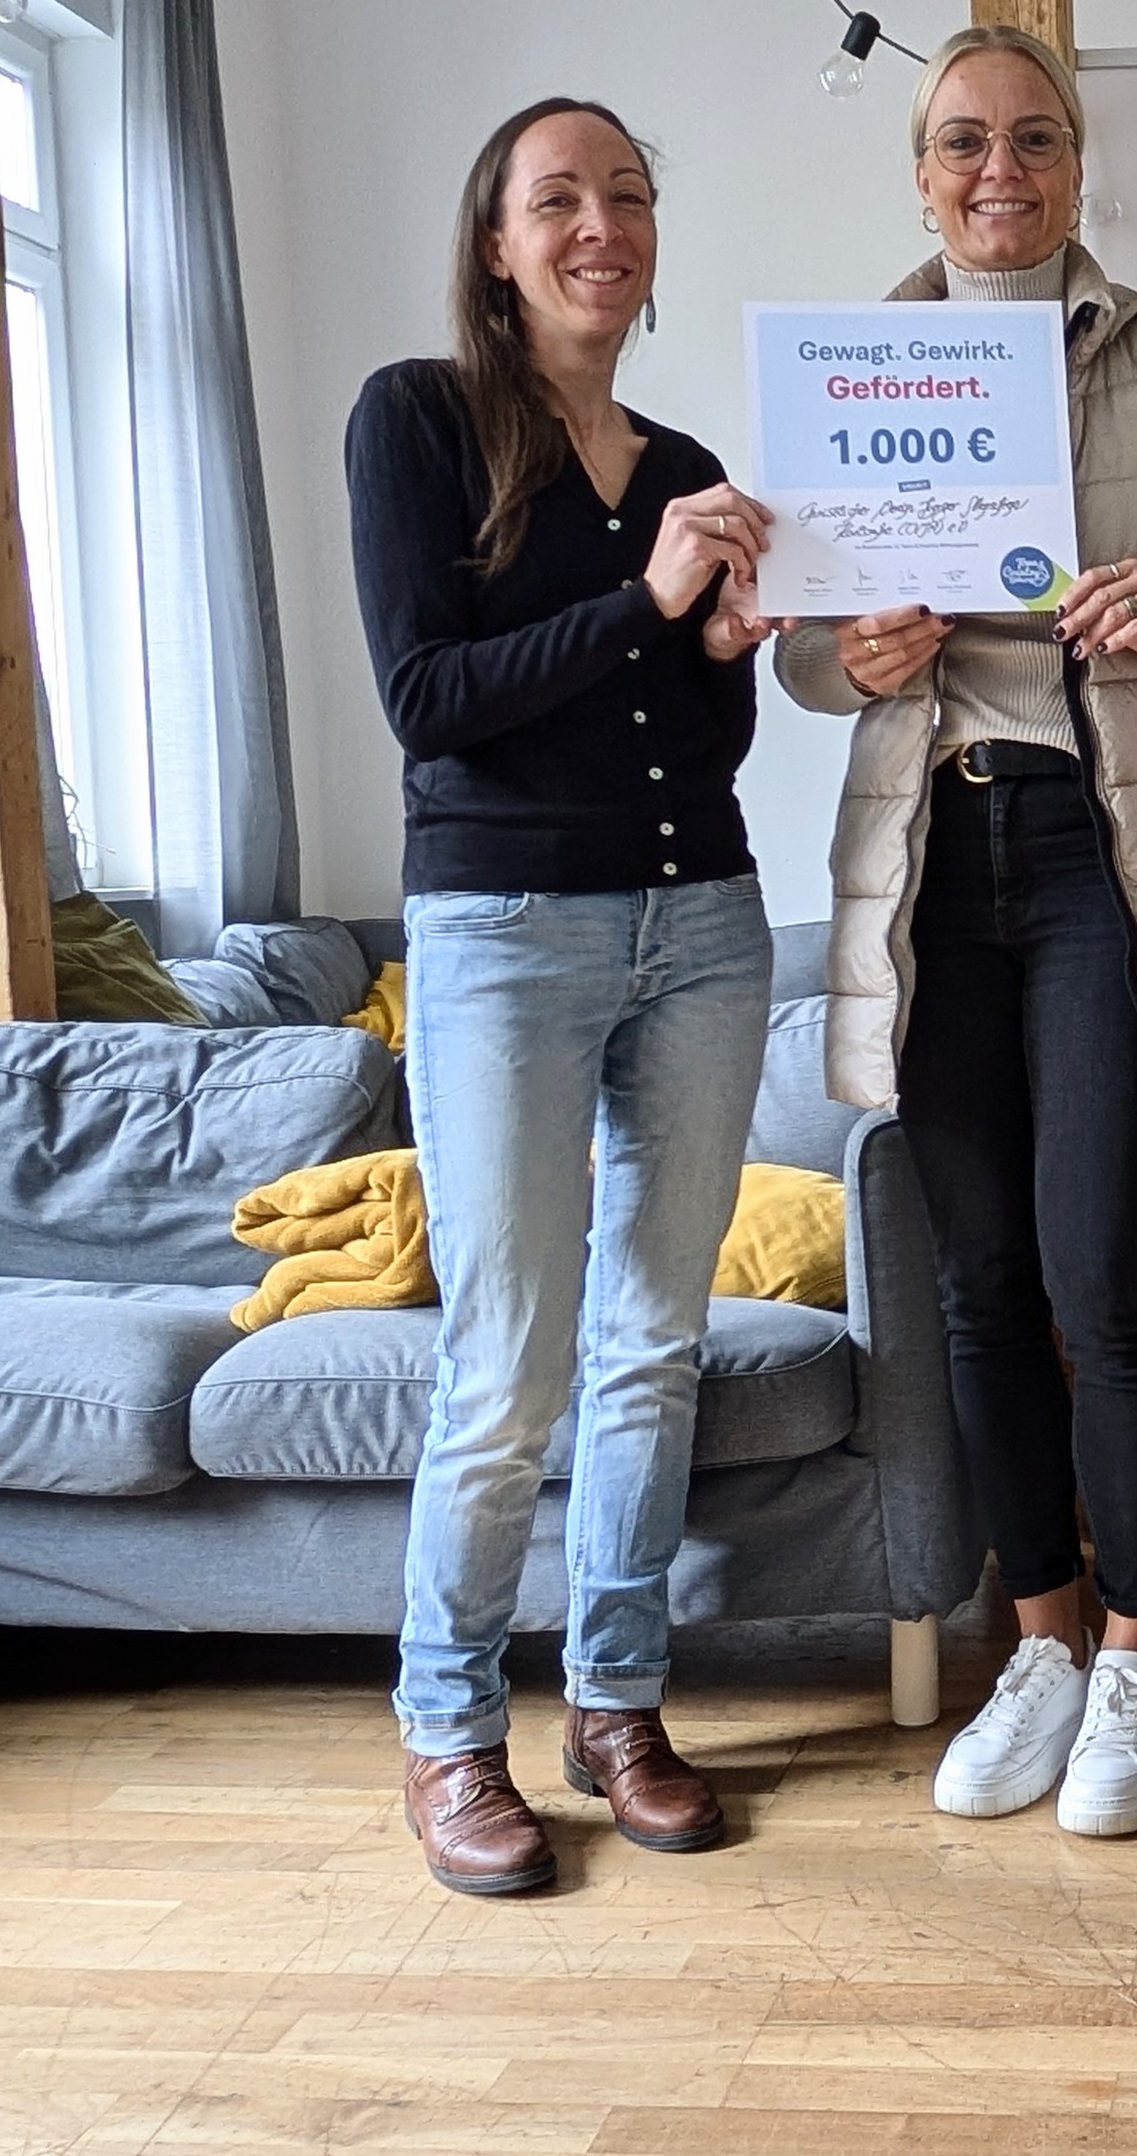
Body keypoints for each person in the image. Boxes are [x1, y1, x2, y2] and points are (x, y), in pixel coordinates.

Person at [775, 24, 1137, 1841]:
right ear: (919, 174)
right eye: (961, 142)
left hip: (1108, 855)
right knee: (981, 1285)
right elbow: (798, 654)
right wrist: (847, 654)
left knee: (1102, 1275)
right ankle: (1043, 1645)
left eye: (1032, 139)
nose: (997, 172)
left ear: (1078, 165)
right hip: (936, 860)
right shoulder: (856, 368)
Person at [347, 96, 782, 1896]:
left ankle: (617, 1701)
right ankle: (450, 1732)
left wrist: (721, 647)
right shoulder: (417, 418)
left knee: (652, 1345)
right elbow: (426, 698)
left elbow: (694, 742)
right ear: (497, 241)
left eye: (627, 194)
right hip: (507, 928)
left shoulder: (686, 459)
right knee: (508, 1358)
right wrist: (644, 601)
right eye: (559, 199)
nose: (600, 223)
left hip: (704, 923)